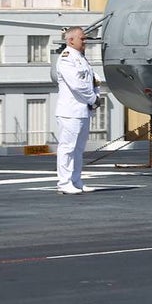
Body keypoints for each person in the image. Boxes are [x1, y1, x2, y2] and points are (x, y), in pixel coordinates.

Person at [55, 27, 101, 194]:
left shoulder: (81, 58)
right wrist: (94, 99)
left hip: (82, 111)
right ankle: (64, 182)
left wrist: (96, 96)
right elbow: (77, 85)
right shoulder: (67, 59)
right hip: (70, 112)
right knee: (67, 148)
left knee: (78, 149)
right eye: (82, 39)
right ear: (70, 41)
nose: (85, 41)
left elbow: (94, 81)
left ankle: (76, 181)